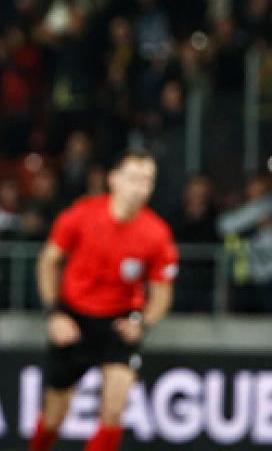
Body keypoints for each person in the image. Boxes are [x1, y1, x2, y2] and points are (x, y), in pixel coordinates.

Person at [29, 150, 178, 451]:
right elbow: (47, 262)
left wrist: (142, 324)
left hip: (118, 323)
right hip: (74, 319)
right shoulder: (80, 215)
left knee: (113, 411)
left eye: (148, 180)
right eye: (134, 178)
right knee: (54, 417)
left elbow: (162, 293)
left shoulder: (157, 234)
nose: (141, 187)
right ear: (114, 180)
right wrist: (55, 314)